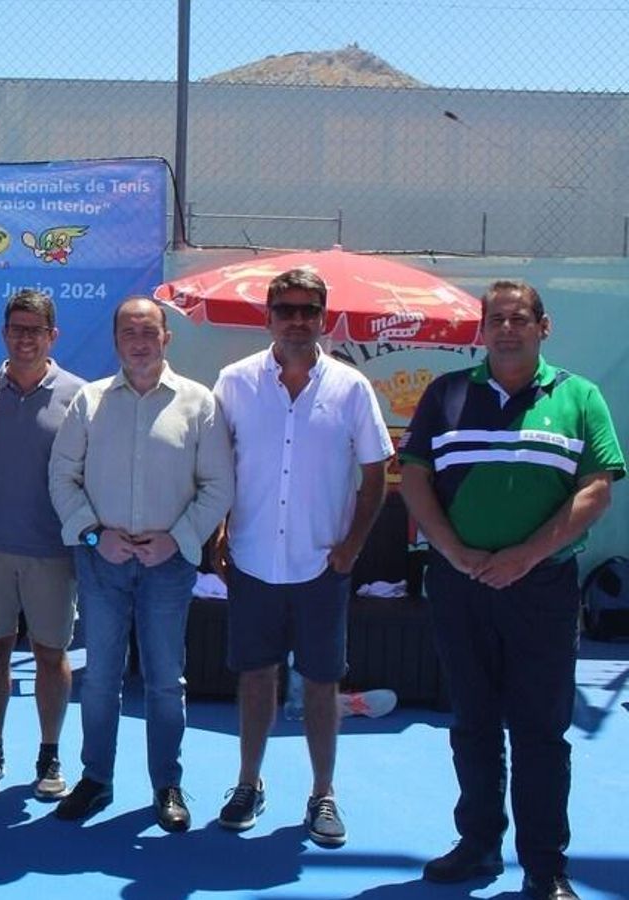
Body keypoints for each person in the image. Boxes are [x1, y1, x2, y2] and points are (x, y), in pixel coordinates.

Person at [400, 281, 620, 900]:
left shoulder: (579, 397)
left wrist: (526, 557)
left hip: (543, 590)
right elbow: (415, 479)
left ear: (542, 328)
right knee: (472, 722)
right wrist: (452, 551)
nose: (506, 329)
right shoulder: (445, 396)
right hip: (460, 585)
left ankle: (545, 865)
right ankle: (477, 845)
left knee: (540, 731)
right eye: (495, 319)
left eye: (519, 319)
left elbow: (596, 488)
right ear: (482, 329)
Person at [210, 268, 393, 847]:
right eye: (284, 309)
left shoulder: (351, 388)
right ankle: (248, 783)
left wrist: (353, 547)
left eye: (307, 310)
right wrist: (219, 532)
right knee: (256, 677)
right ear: (267, 317)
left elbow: (375, 474)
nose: (295, 319)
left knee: (320, 684)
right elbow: (214, 466)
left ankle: (322, 794)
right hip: (252, 560)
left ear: (323, 318)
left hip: (322, 568)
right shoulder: (233, 383)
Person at [48, 296, 233, 829]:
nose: (139, 340)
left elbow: (218, 484)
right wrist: (92, 534)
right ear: (116, 341)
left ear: (166, 338)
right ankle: (96, 779)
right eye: (128, 331)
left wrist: (177, 539)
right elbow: (63, 476)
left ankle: (167, 785)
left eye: (148, 330)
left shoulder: (199, 403)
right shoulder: (89, 401)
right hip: (102, 562)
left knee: (164, 681)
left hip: (168, 566)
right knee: (101, 677)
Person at [0, 289, 85, 801]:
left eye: (35, 330)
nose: (25, 338)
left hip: (54, 552)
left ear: (53, 336)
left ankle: (50, 754)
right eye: (16, 329)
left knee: (52, 656)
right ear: (4, 333)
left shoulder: (80, 396)